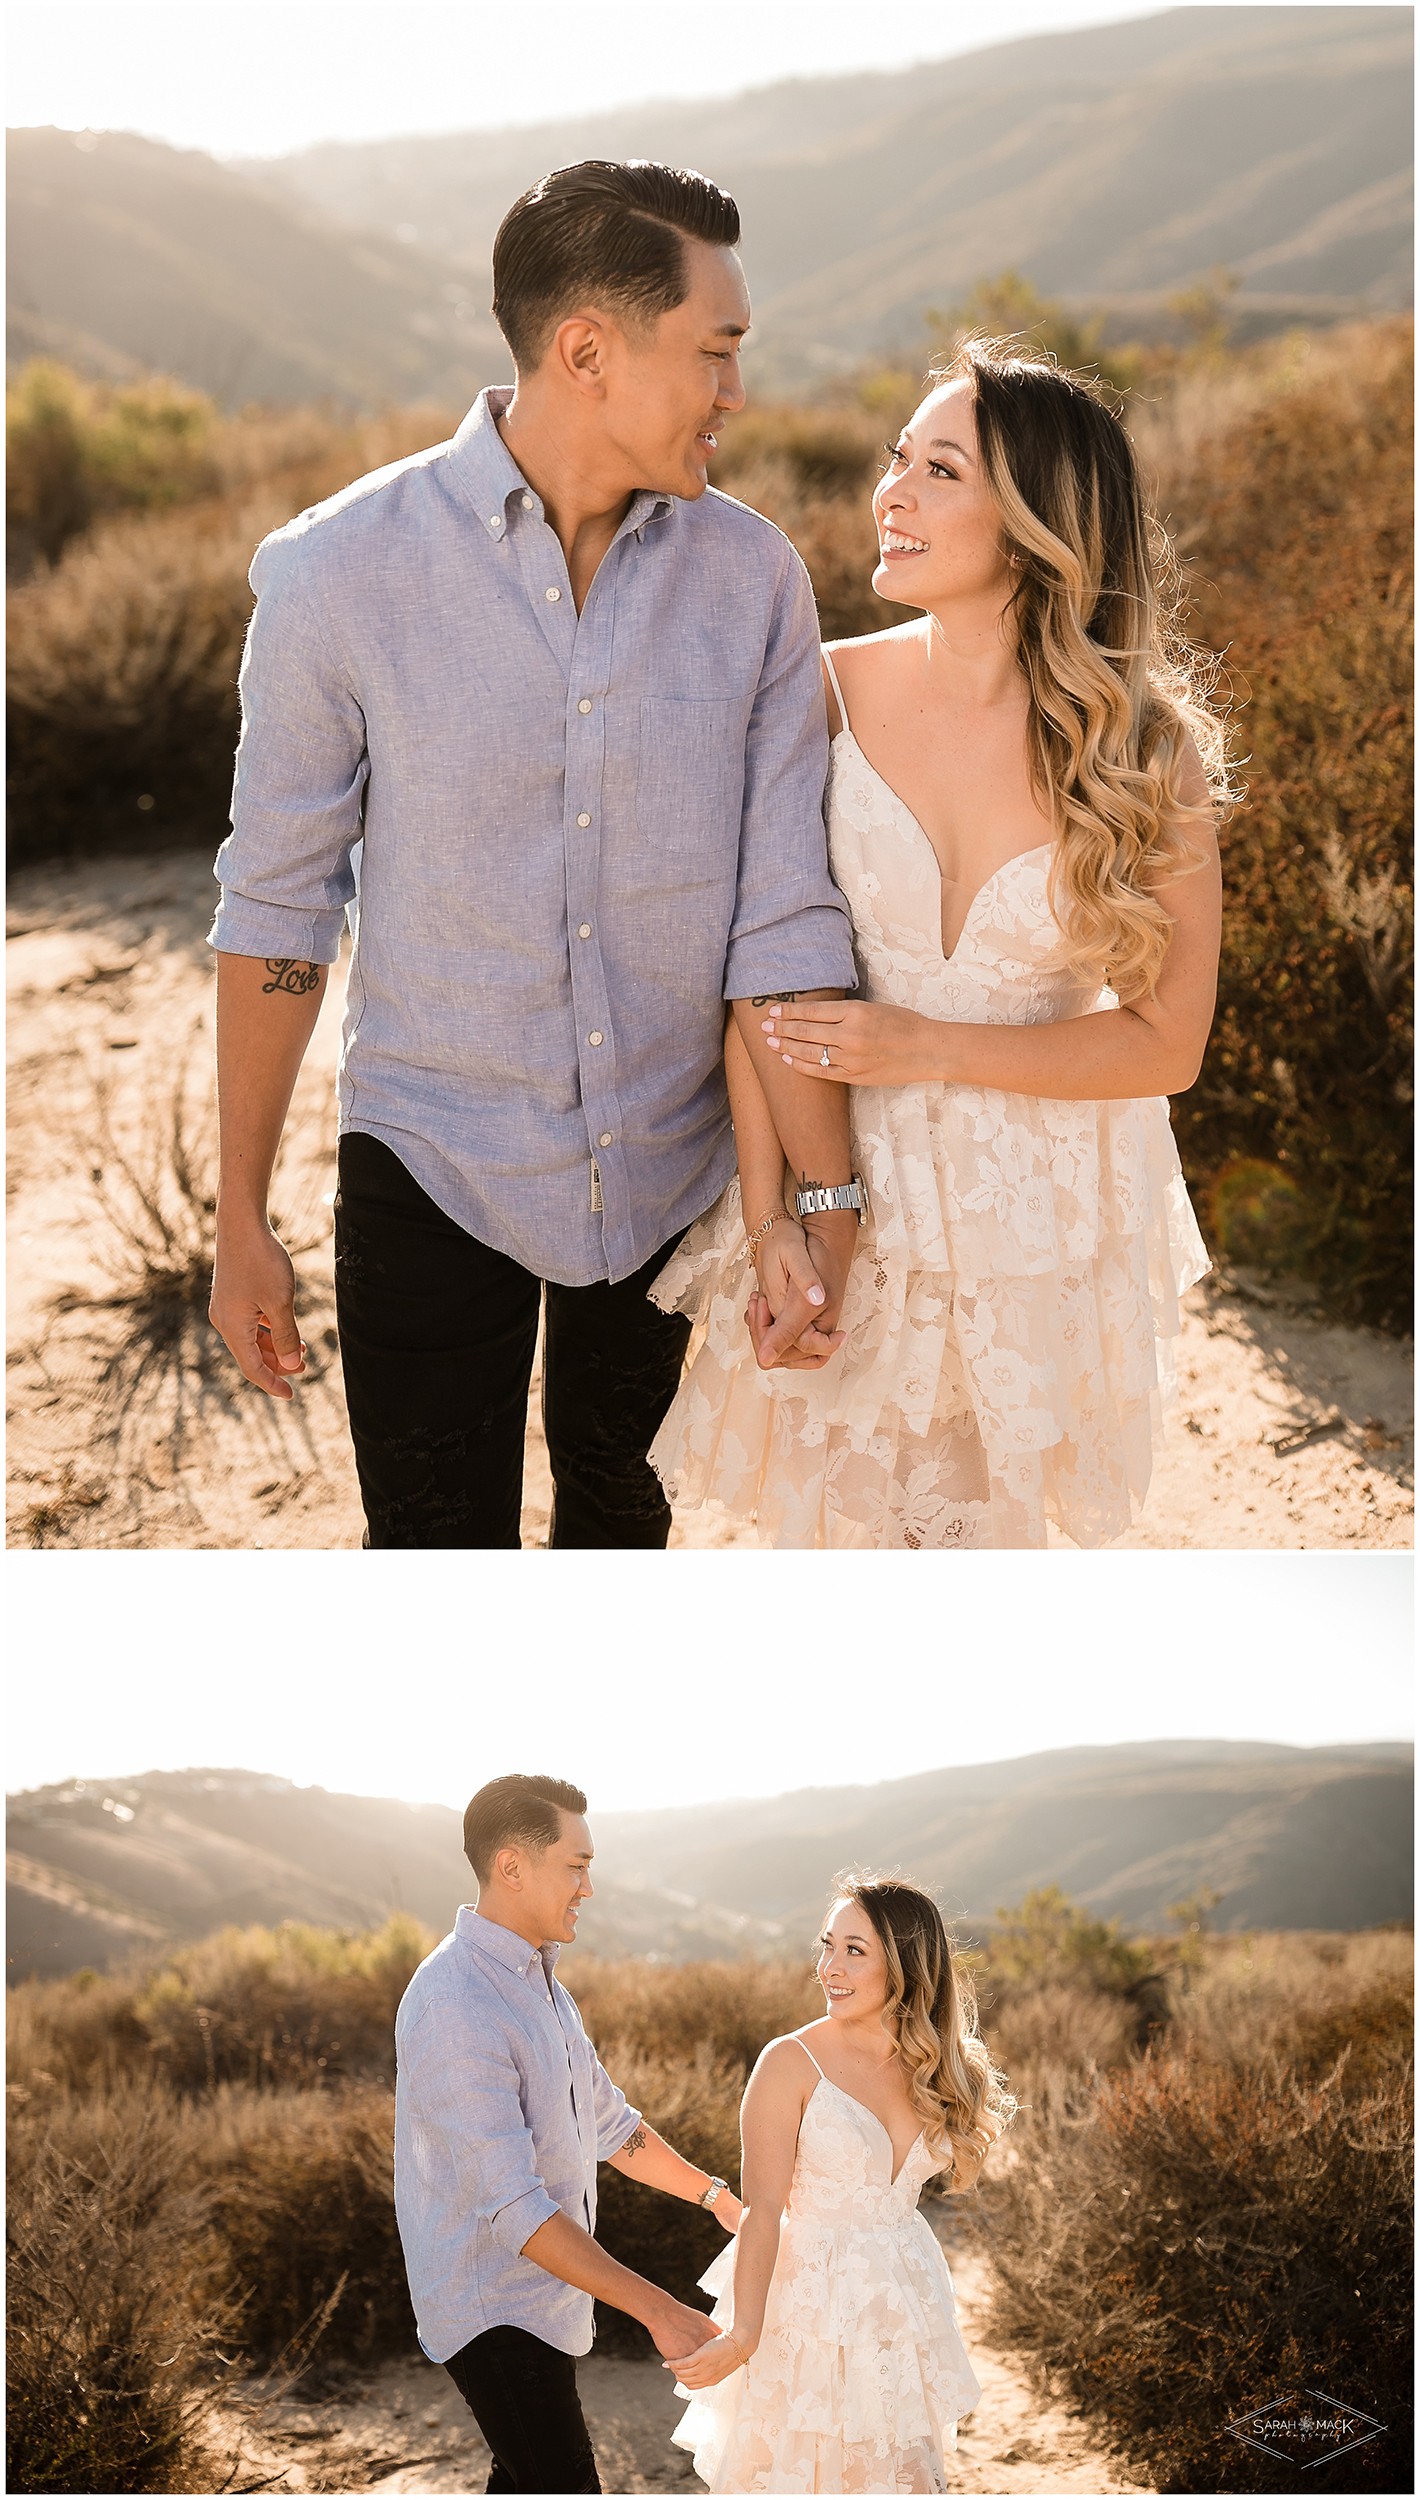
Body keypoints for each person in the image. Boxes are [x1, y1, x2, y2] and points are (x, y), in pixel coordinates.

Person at [207, 159, 861, 1548]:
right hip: (432, 1164)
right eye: (717, 351)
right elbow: (276, 915)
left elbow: (782, 919)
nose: (737, 393)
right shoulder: (336, 575)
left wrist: (815, 1205)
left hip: (677, 1179)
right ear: (587, 351)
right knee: (432, 1552)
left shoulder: (754, 581)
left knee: (623, 1534)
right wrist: (238, 1217)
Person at [651, 336, 1233, 1547]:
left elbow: (1166, 1044)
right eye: (895, 458)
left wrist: (921, 1041)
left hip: (1044, 1220)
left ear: (1036, 521)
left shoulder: (1144, 753)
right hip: (845, 1183)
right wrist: (774, 1227)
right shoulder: (815, 688)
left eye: (941, 472)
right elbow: (752, 981)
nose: (892, 494)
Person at [394, 1773, 737, 2494]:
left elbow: (613, 2127)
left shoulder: (544, 1985)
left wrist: (717, 2199)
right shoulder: (454, 2000)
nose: (589, 1888)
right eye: (576, 1868)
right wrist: (660, 2311)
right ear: (512, 1867)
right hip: (493, 2311)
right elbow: (514, 2208)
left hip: (545, 2302)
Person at [671, 1875, 1012, 2495]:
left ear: (906, 1965)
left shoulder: (941, 2066)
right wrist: (745, 2332)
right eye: (828, 1946)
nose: (829, 1967)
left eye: (855, 1951)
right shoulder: (788, 2062)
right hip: (809, 2308)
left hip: (901, 2300)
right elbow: (764, 2210)